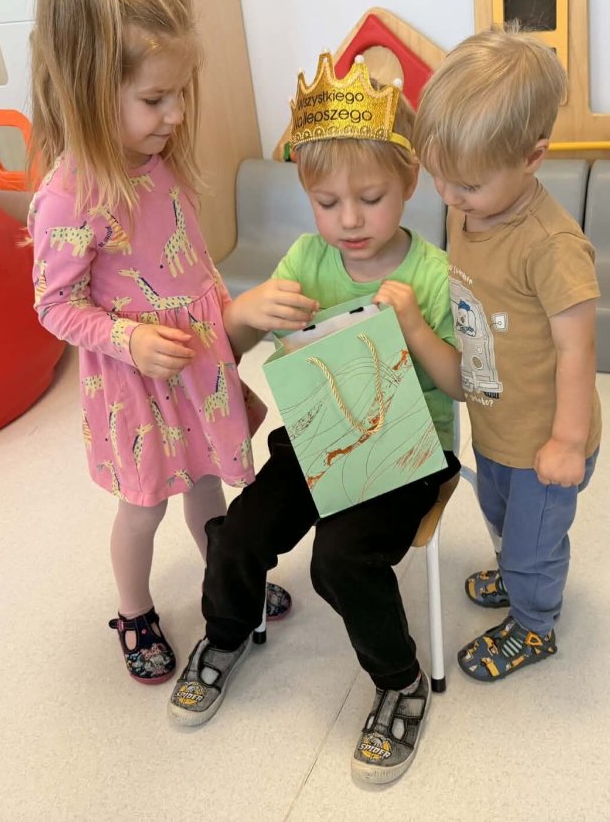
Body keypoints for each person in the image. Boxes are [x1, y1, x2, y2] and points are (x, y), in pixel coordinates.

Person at [167, 53, 462, 785]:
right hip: (320, 435)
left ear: (410, 183)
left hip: (406, 450)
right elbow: (228, 350)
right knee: (239, 532)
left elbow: (462, 387)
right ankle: (226, 633)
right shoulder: (306, 257)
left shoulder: (431, 274)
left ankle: (400, 681)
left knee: (340, 560)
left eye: (371, 198)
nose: (349, 220)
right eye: (326, 202)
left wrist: (414, 328)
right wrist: (244, 313)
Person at [26, 0, 290, 687]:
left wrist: (227, 324)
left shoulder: (158, 154)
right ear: (89, 87)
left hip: (193, 365)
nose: (175, 115)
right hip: (138, 382)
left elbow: (190, 263)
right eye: (155, 98)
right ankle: (134, 611)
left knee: (209, 486)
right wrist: (131, 338)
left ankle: (226, 581)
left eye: (178, 94)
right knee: (142, 509)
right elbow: (54, 304)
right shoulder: (69, 194)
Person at [412, 28, 603, 682]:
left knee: (533, 544)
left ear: (532, 158)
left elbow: (578, 349)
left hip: (547, 440)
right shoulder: (468, 211)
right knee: (497, 514)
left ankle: (534, 623)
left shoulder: (552, 246)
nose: (448, 195)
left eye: (465, 183)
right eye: (438, 177)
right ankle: (515, 571)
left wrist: (567, 443)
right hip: (496, 420)